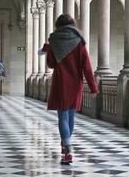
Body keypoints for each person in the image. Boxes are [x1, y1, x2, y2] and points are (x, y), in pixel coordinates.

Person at [42, 14, 98, 164]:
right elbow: (86, 66)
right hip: (75, 84)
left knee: (63, 117)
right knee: (71, 116)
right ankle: (66, 145)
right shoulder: (79, 42)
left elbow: (51, 65)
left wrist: (48, 50)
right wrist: (93, 87)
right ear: (72, 25)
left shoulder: (54, 41)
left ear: (58, 25)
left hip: (61, 83)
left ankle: (67, 148)